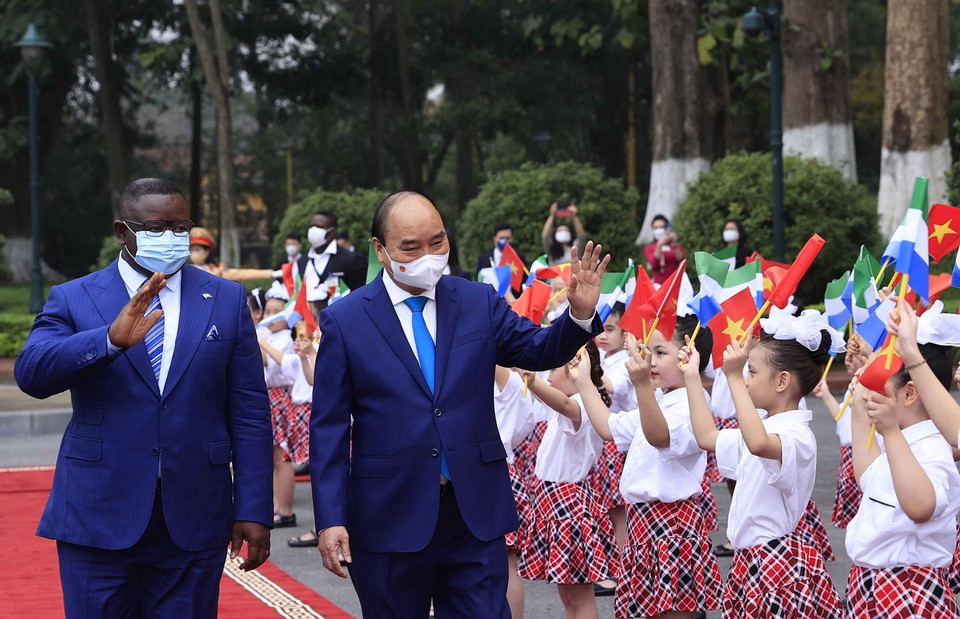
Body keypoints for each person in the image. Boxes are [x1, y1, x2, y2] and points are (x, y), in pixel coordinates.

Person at [309, 190, 609, 618]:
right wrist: (331, 518)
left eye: (438, 241)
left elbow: (539, 350)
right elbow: (329, 429)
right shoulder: (346, 319)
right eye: (410, 247)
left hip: (473, 510)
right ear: (380, 249)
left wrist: (578, 315)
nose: (428, 255)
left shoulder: (477, 301)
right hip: (388, 514)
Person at [14, 178, 273, 617]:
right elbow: (32, 373)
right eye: (155, 229)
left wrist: (253, 507)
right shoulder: (75, 297)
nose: (171, 239)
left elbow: (249, 409)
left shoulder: (225, 298)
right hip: (97, 514)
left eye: (180, 227)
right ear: (122, 231)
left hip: (194, 515)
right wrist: (109, 340)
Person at [678, 310, 844, 618]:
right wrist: (691, 376)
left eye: (752, 372)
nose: (746, 379)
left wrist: (732, 377)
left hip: (775, 562)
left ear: (782, 380)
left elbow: (757, 444)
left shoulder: (796, 435)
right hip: (753, 559)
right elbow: (706, 436)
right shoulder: (765, 426)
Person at [574, 316, 724, 619]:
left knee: (673, 612)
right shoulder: (663, 400)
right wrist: (583, 380)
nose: (650, 361)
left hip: (673, 524)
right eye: (649, 351)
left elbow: (659, 436)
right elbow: (609, 426)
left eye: (660, 353)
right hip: (644, 522)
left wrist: (641, 383)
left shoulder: (691, 405)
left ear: (688, 356)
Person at [845, 340, 960, 617]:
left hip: (908, 588)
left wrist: (891, 433)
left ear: (909, 394)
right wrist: (860, 409)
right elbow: (868, 479)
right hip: (872, 584)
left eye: (874, 385)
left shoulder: (930, 447)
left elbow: (920, 507)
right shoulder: (901, 440)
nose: (867, 390)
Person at [518, 342, 618, 619]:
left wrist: (532, 379)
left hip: (568, 505)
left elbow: (560, 402)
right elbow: (553, 401)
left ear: (575, 370)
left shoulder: (584, 407)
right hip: (554, 502)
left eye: (554, 367)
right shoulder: (573, 405)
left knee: (579, 595)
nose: (549, 373)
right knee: (568, 595)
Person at [296, 210, 366, 316]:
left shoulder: (351, 260)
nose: (313, 230)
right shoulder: (302, 261)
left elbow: (359, 296)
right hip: (305, 325)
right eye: (312, 226)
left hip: (338, 320)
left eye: (319, 227)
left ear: (332, 232)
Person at [542, 200, 586, 266]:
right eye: (559, 231)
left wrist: (575, 216)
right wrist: (551, 216)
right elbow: (545, 236)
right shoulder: (552, 250)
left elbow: (581, 236)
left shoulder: (575, 248)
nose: (563, 233)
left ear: (571, 234)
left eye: (566, 230)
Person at [644, 214, 685, 286]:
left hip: (675, 284)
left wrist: (674, 243)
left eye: (661, 227)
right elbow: (654, 264)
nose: (659, 230)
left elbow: (681, 260)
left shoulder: (675, 246)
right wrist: (659, 245)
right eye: (656, 228)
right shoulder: (649, 248)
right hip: (658, 285)